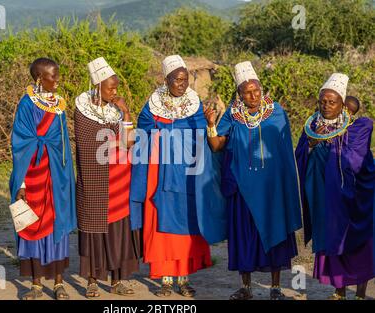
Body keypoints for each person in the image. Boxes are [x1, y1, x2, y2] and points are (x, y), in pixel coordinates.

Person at [130, 55, 227, 297]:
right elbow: (143, 134)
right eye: (177, 80)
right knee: (161, 225)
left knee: (186, 226)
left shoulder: (194, 104)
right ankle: (164, 280)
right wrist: (163, 134)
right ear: (166, 79)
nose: (182, 84)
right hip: (160, 174)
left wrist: (208, 124)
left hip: (188, 175)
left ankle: (183, 279)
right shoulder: (151, 106)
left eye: (185, 79)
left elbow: (203, 138)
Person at [205, 61, 302, 300]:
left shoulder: (276, 111)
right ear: (239, 93)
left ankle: (276, 287)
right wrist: (210, 125)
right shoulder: (232, 114)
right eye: (247, 92)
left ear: (261, 88)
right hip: (242, 188)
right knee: (244, 235)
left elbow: (283, 153)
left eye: (256, 90)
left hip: (271, 189)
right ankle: (246, 287)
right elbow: (218, 146)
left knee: (274, 233)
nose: (253, 95)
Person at [296, 73, 375, 300]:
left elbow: (355, 158)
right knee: (332, 241)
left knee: (358, 245)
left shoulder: (358, 127)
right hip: (326, 197)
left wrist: (326, 144)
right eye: (322, 101)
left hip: (354, 198)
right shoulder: (311, 126)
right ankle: (339, 291)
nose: (326, 105)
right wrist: (311, 145)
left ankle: (360, 294)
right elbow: (301, 154)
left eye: (332, 102)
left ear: (342, 104)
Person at [9, 57, 77, 300]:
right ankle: (36, 284)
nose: (57, 81)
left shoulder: (59, 105)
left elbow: (63, 144)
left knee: (56, 229)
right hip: (33, 177)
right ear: (40, 78)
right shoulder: (27, 105)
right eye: (53, 76)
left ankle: (59, 283)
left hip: (55, 177)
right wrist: (22, 184)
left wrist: (66, 175)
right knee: (32, 228)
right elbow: (21, 144)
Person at [74, 57, 140, 298]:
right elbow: (86, 143)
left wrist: (125, 111)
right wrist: (115, 144)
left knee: (119, 230)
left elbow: (129, 142)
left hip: (120, 180)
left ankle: (118, 281)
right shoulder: (82, 109)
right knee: (94, 230)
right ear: (97, 86)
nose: (114, 92)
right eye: (110, 87)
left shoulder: (115, 111)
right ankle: (92, 280)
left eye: (116, 87)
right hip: (94, 179)